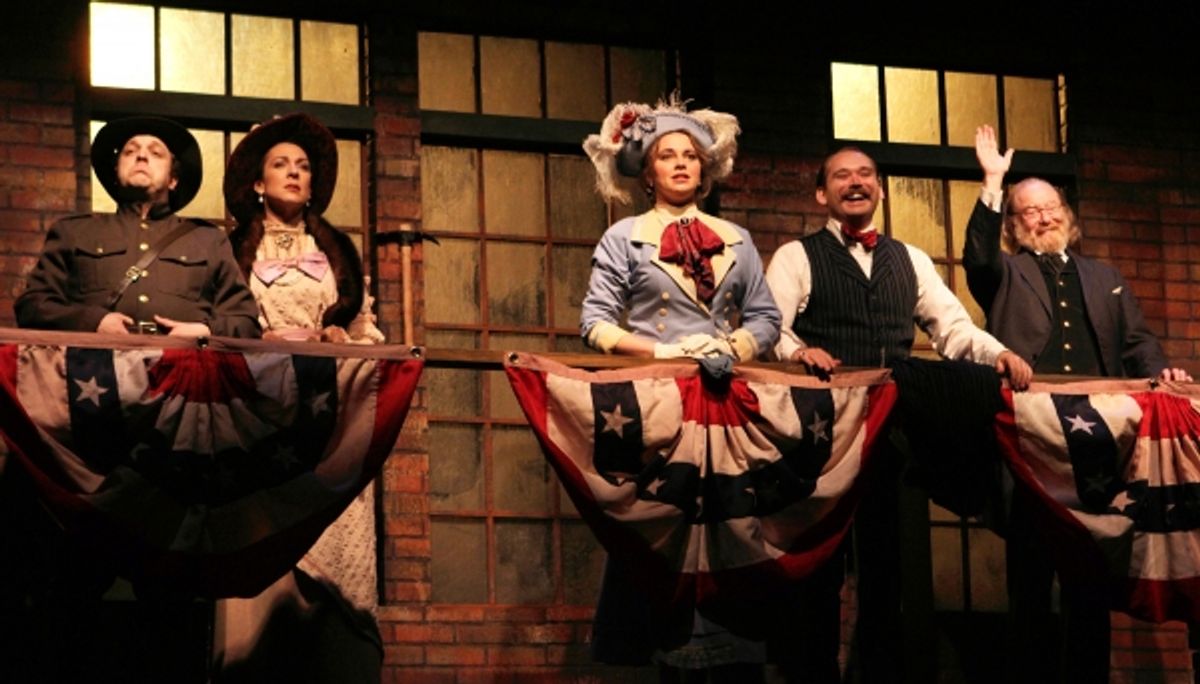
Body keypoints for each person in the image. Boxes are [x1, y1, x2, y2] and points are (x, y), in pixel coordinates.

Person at [764, 146, 1033, 683]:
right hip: (823, 435)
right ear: (821, 193)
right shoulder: (797, 255)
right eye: (842, 175)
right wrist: (798, 352)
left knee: (888, 572)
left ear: (880, 189)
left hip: (893, 434)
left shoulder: (909, 258)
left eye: (866, 174)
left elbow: (952, 328)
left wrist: (997, 353)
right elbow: (772, 326)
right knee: (817, 571)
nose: (856, 182)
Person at [963, 124, 1192, 684]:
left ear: (1066, 214)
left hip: (1096, 448)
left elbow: (1137, 342)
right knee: (1030, 585)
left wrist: (1162, 372)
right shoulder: (1006, 273)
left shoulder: (1104, 276)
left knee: (1089, 586)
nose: (1043, 217)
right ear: (1014, 225)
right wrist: (992, 181)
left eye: (1050, 207)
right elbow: (978, 258)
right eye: (1029, 211)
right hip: (1032, 442)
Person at [580, 98, 780, 681]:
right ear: (648, 173)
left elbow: (766, 318)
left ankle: (734, 648)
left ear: (705, 168)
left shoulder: (735, 238)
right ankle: (658, 646)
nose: (681, 163)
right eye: (667, 155)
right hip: (659, 400)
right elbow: (594, 323)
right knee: (663, 519)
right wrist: (662, 352)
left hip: (721, 399)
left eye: (690, 155)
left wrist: (733, 347)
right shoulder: (625, 237)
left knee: (730, 521)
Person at [212, 112, 384, 684]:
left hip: (327, 418)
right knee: (261, 537)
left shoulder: (337, 253)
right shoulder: (230, 251)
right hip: (258, 415)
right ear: (258, 183)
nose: (294, 173)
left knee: (333, 534)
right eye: (280, 165)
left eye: (303, 166)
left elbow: (366, 330)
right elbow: (217, 326)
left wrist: (345, 340)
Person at [16, 116, 260, 338]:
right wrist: (93, 322)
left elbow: (246, 322)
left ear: (173, 179)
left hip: (185, 367)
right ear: (116, 171)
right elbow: (33, 305)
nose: (141, 156)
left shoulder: (207, 240)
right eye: (130, 151)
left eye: (156, 153)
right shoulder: (74, 233)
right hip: (96, 367)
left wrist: (204, 331)